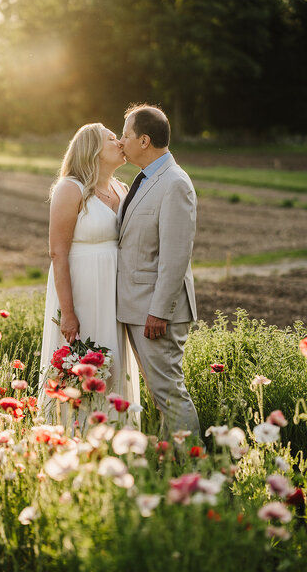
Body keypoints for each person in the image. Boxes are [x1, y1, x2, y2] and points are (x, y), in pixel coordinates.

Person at [39, 123, 140, 414]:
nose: (120, 142)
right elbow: (57, 253)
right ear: (93, 150)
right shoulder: (70, 188)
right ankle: (73, 435)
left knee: (113, 361)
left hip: (113, 294)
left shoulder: (120, 187)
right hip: (80, 291)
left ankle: (115, 434)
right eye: (112, 139)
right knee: (79, 362)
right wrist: (68, 313)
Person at [117, 103, 200, 438]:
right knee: (161, 396)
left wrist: (159, 312)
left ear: (144, 140)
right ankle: (173, 471)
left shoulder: (175, 183)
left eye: (125, 135)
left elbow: (175, 256)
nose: (120, 142)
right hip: (138, 307)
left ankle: (197, 470)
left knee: (170, 394)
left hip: (156, 311)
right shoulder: (146, 177)